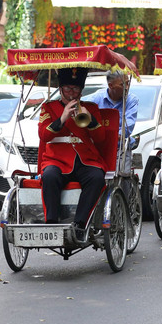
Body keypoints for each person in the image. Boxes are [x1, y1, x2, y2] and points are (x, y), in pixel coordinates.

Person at [39, 67, 107, 241]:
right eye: (68, 88)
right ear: (60, 89)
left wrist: (89, 119)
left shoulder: (91, 107)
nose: (72, 93)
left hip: (85, 159)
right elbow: (44, 135)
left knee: (96, 177)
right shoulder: (49, 107)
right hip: (57, 159)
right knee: (49, 176)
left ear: (81, 90)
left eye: (76, 89)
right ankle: (52, 223)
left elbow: (100, 138)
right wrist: (62, 118)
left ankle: (80, 224)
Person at [82, 72, 139, 173]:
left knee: (123, 177)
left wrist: (114, 136)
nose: (127, 88)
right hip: (98, 148)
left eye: (128, 83)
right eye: (122, 85)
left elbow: (128, 127)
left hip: (120, 148)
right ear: (110, 85)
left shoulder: (131, 100)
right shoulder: (95, 99)